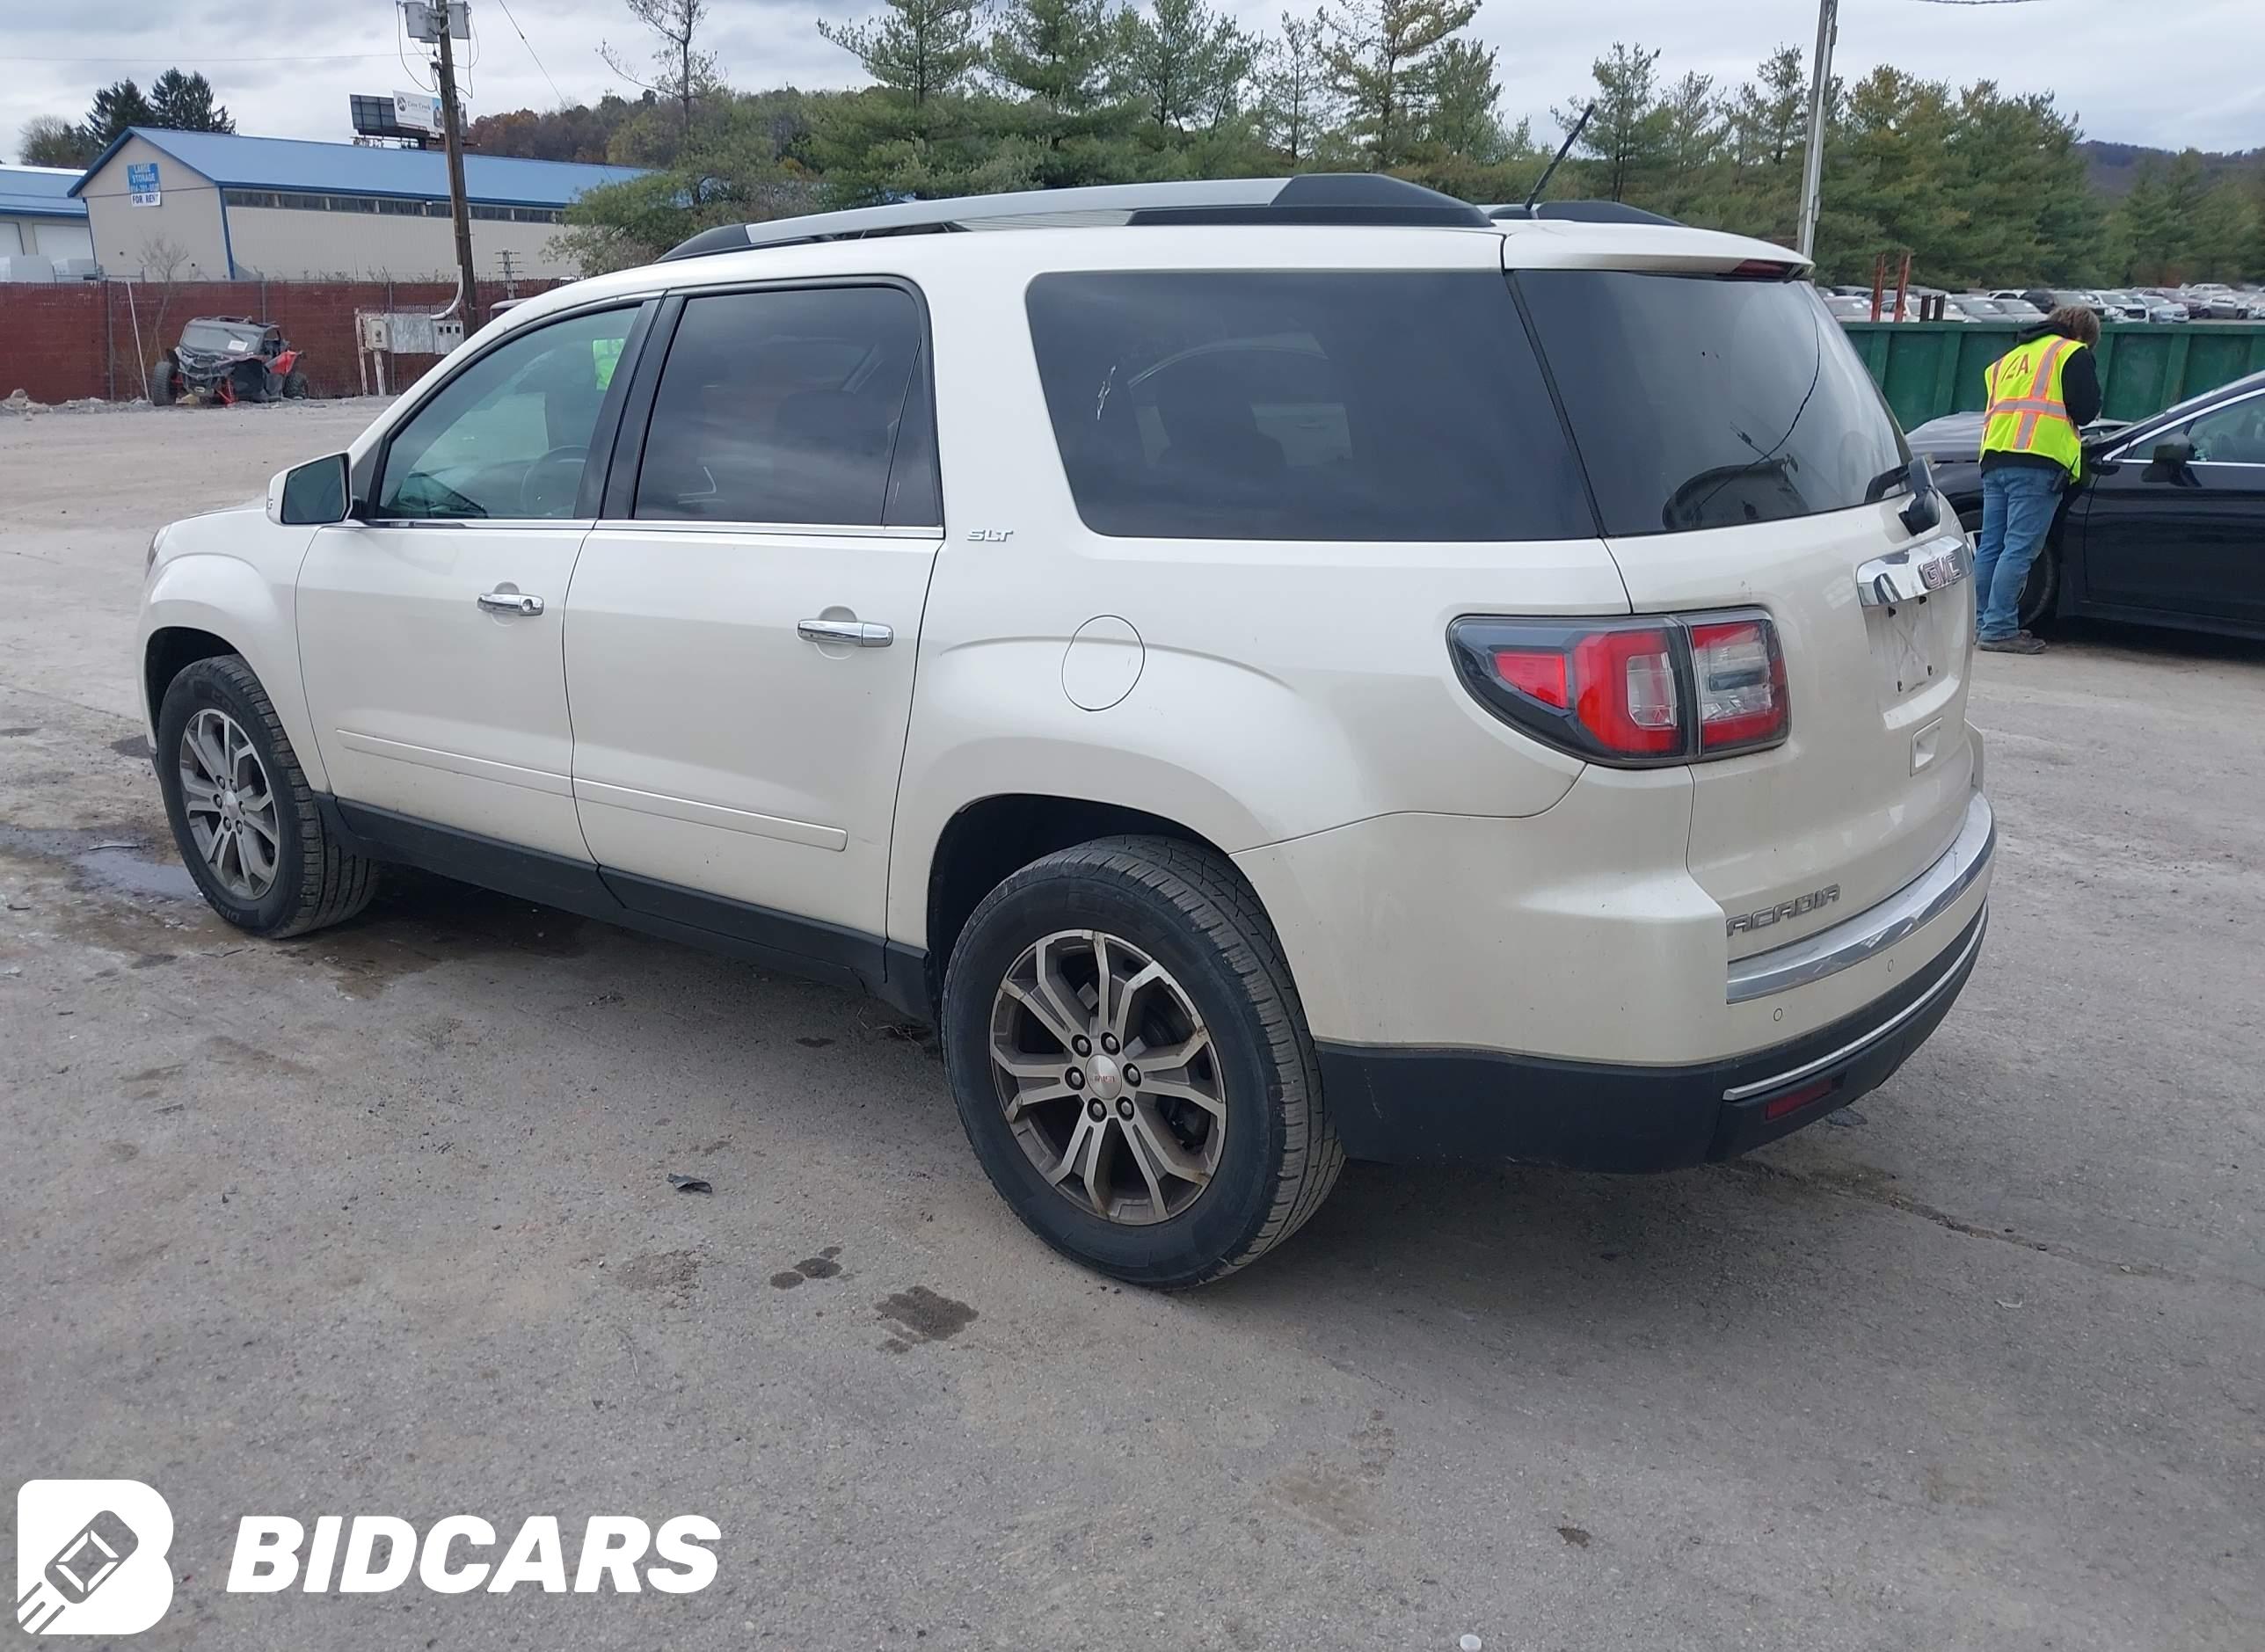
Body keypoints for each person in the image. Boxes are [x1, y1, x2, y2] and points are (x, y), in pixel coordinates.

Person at [1970, 303, 2102, 654]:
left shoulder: (2009, 360)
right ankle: (1998, 629)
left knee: (1991, 547)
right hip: (2038, 461)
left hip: (1995, 457)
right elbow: (2086, 410)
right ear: (2083, 335)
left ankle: (1982, 624)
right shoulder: (2071, 352)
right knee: (2019, 548)